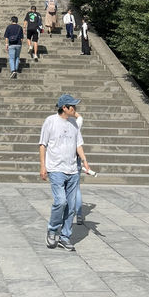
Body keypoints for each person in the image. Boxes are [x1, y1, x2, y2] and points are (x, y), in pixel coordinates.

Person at [39, 94, 91, 251]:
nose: (74, 109)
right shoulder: (51, 121)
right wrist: (43, 166)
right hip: (55, 168)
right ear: (64, 108)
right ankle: (53, 230)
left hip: (72, 170)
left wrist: (85, 162)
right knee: (61, 201)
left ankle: (65, 236)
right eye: (72, 106)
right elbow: (43, 144)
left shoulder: (74, 124)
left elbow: (78, 145)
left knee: (72, 206)